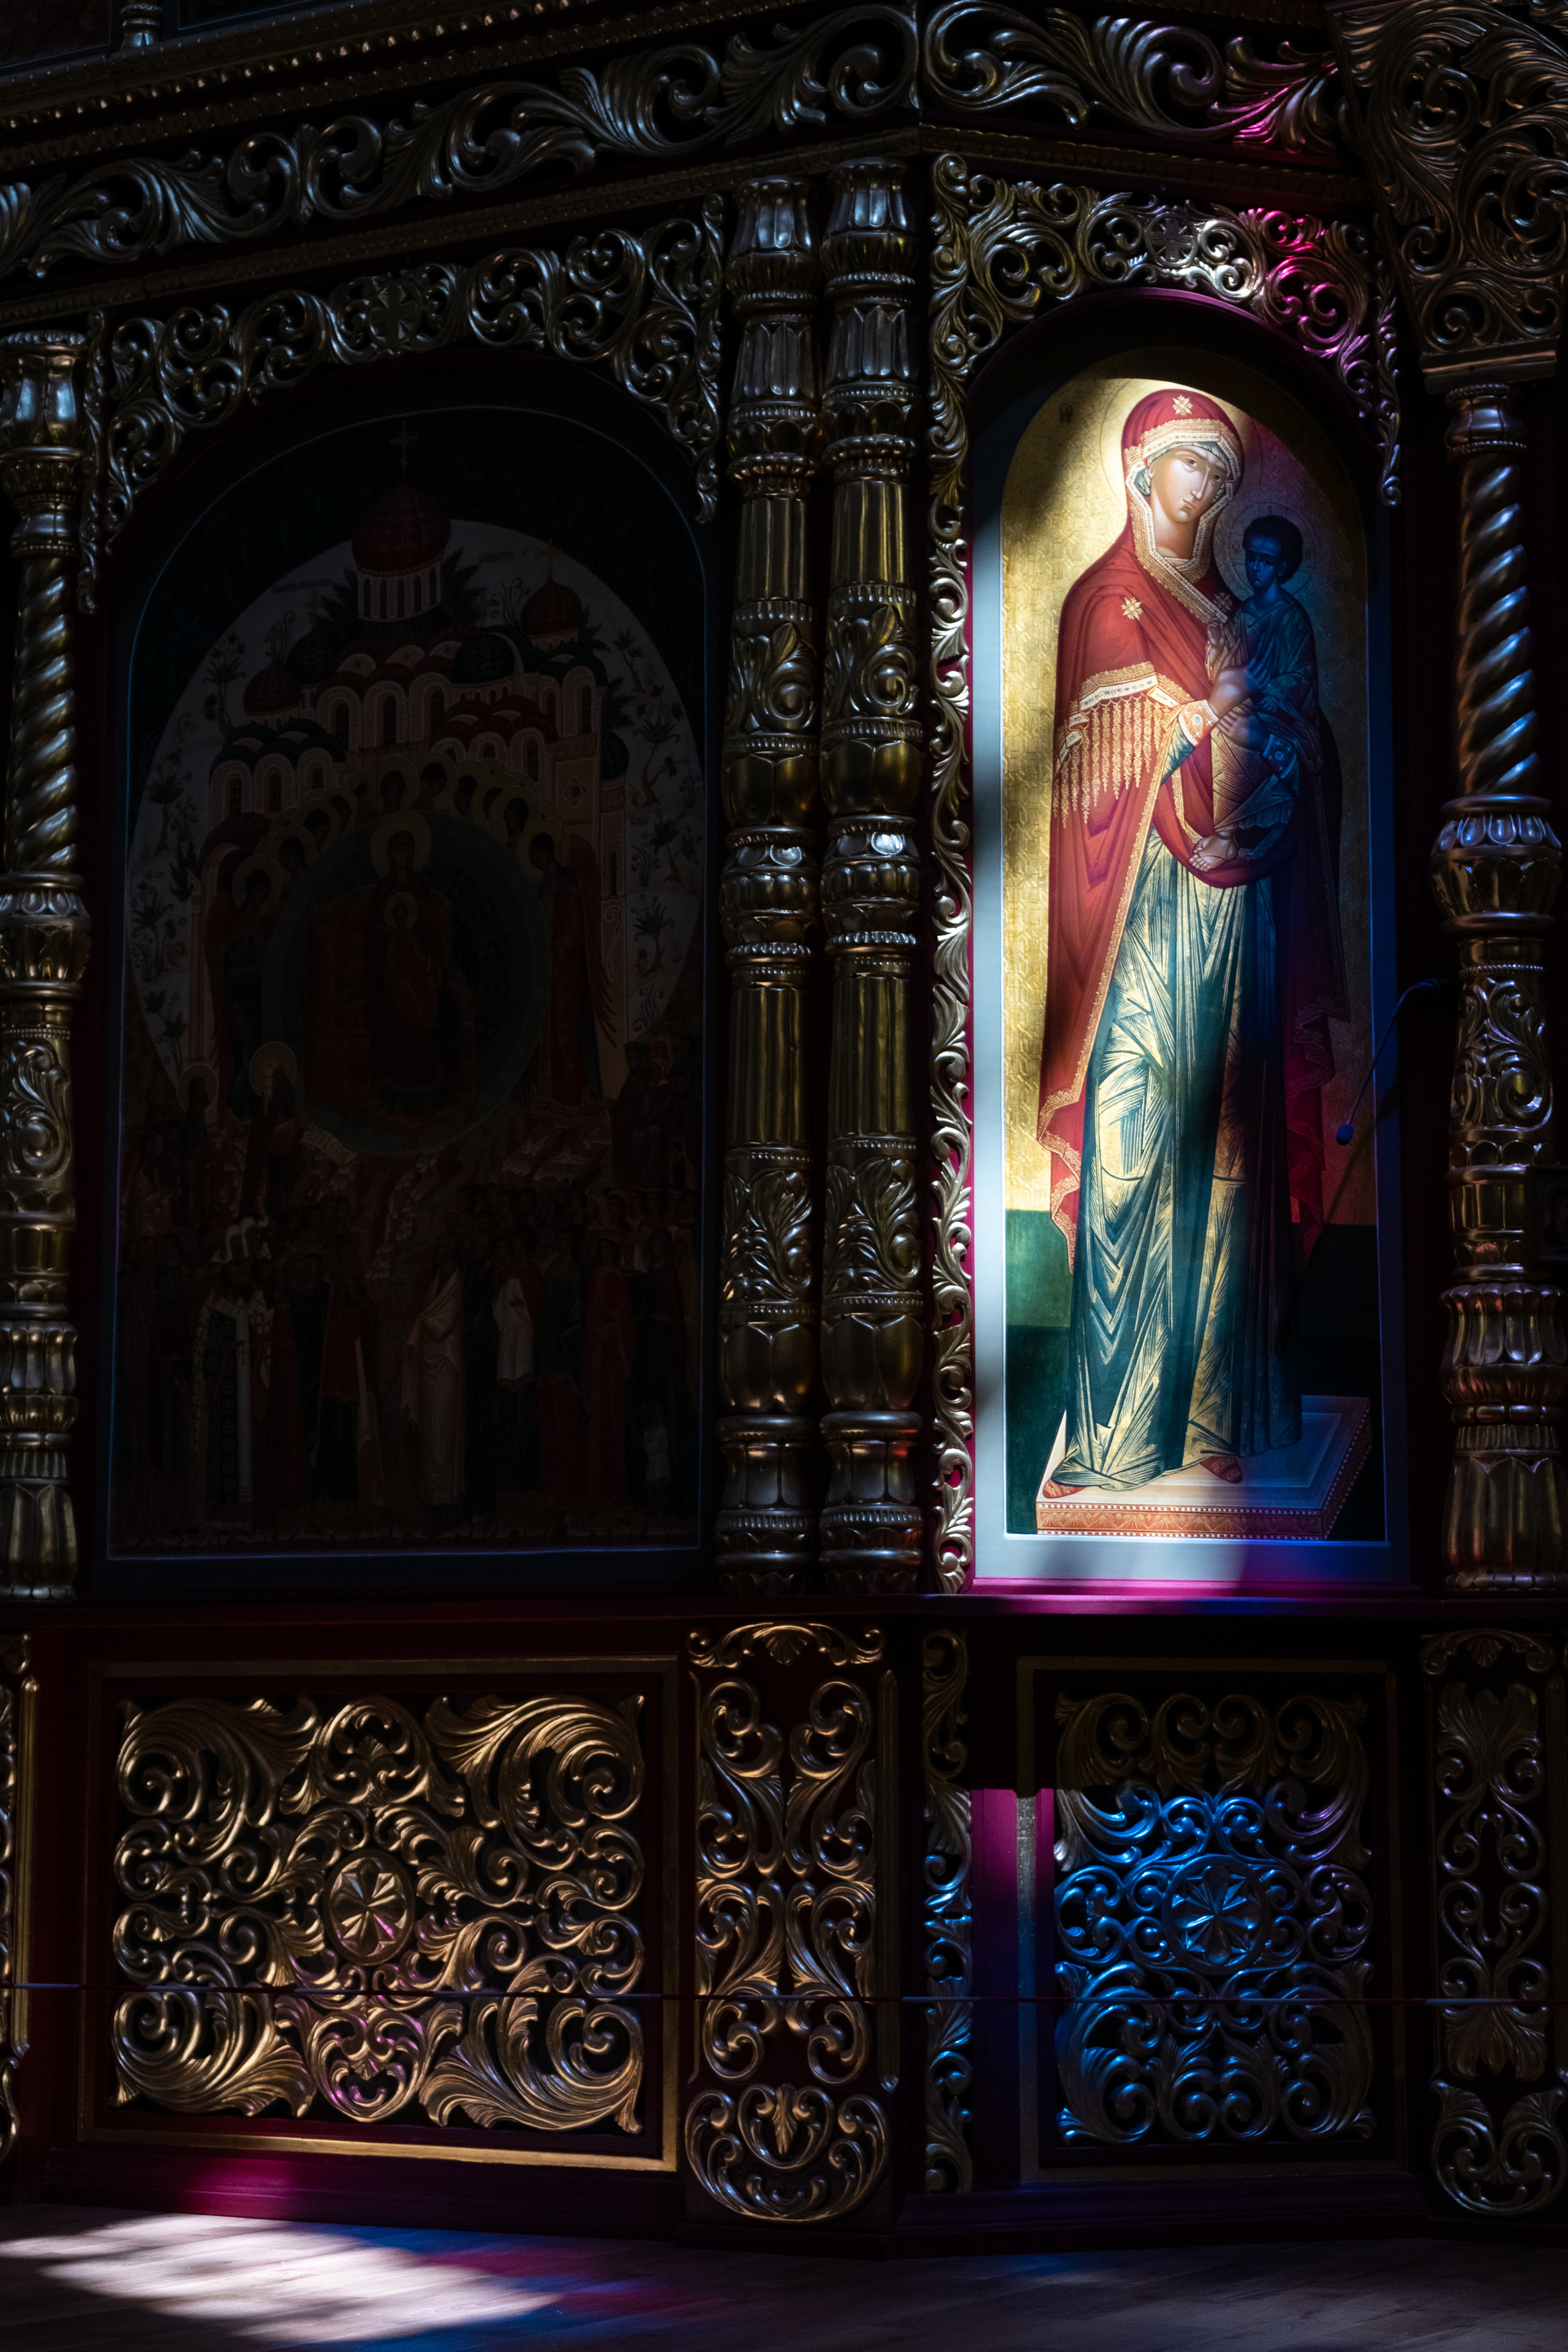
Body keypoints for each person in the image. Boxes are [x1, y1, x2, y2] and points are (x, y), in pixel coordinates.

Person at [1036, 390, 1345, 1501]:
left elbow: (1299, 740)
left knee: (1231, 1164)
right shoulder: (1105, 606)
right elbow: (1084, 806)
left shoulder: (1247, 612)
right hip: (1135, 935)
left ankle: (1223, 1413)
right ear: (1137, 474)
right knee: (1127, 1156)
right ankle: (1113, 1430)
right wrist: (1193, 731)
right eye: (1190, 467)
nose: (1208, 490)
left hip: (1237, 924)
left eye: (1223, 474)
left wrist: (1278, 744)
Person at [401, 1236, 467, 1516]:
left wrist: (419, 1319)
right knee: (429, 1436)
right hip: (428, 1366)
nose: (442, 1255)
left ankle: (446, 1504)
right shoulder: (435, 1281)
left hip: (445, 1365)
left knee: (442, 1435)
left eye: (447, 1248)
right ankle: (433, 1503)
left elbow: (441, 1326)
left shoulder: (456, 1283)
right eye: (439, 1248)